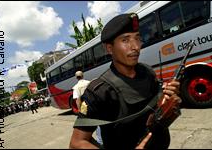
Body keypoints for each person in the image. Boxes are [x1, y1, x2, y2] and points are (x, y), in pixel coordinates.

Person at [69, 13, 181, 149]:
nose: (135, 46)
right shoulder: (100, 91)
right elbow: (77, 143)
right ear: (110, 48)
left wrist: (166, 97)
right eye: (125, 40)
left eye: (138, 38)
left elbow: (155, 109)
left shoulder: (147, 71)